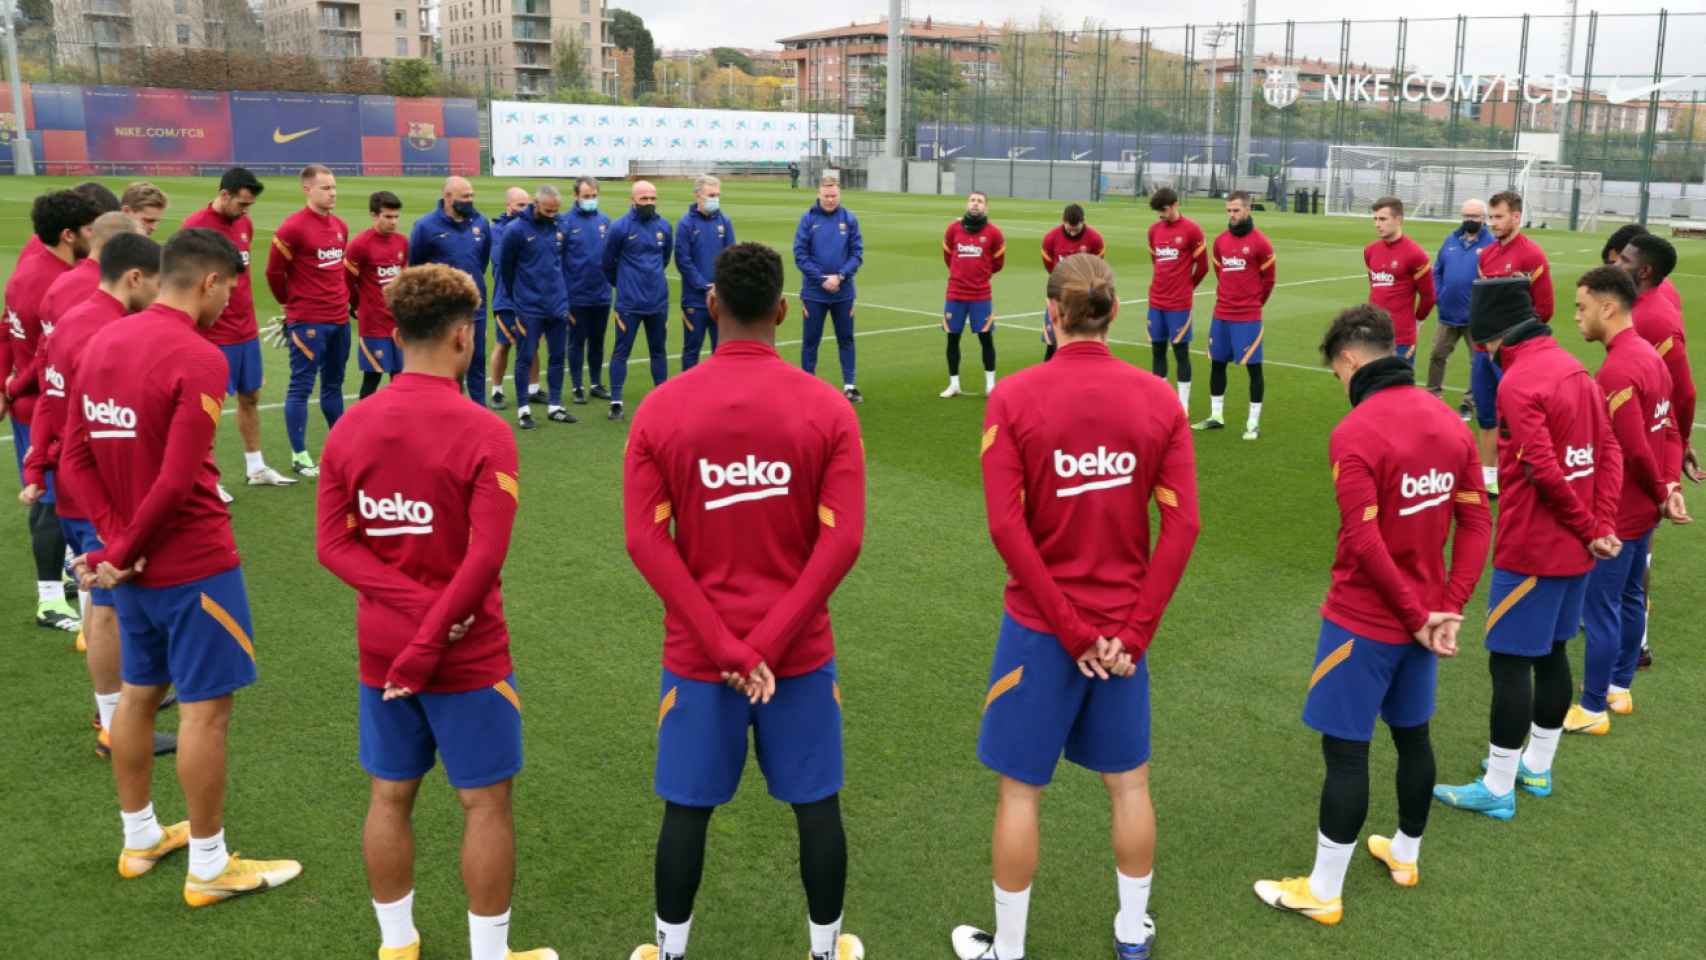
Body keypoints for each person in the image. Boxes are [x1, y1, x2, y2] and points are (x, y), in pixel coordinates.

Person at [623, 242, 866, 960]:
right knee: (816, 804)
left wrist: (726, 646)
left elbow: (645, 542)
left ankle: (668, 952)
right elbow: (842, 541)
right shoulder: (826, 407)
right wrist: (768, 643)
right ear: (784, 312)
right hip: (797, 656)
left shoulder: (662, 408)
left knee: (687, 809)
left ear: (709, 306)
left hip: (701, 657)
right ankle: (826, 951)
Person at [953, 253, 1199, 960]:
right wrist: (1131, 634)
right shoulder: (1158, 398)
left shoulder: (1015, 397)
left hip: (1040, 633)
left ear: (1052, 312)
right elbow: (1182, 526)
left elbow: (1007, 527)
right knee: (1130, 787)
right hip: (1123, 639)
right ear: (1115, 312)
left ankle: (1010, 949)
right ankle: (1130, 936)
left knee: (1021, 793)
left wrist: (1070, 630)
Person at [315, 264, 554, 960]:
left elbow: (333, 548)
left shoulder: (351, 428)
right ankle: (488, 954)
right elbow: (485, 559)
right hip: (466, 647)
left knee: (389, 796)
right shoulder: (484, 430)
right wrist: (435, 623)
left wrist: (411, 618)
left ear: (393, 335)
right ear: (462, 337)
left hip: (381, 650)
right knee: (484, 804)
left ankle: (397, 945)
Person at [59, 228, 302, 906]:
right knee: (204, 713)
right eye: (230, 287)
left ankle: (139, 838)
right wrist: (127, 547)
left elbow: (74, 458)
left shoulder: (103, 340)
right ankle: (209, 864)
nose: (231, 300)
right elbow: (176, 478)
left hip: (128, 570)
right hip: (191, 562)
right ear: (207, 282)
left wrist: (112, 549)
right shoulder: (197, 356)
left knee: (138, 696)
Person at [1252, 305, 1489, 927]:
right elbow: (1475, 520)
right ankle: (1405, 856)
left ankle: (1324, 890)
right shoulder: (1449, 419)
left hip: (1364, 621)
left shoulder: (1355, 431)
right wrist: (1448, 607)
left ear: (1350, 360)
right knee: (1414, 736)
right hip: (1426, 620)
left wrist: (1417, 613)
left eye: (1336, 373)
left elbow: (1363, 541)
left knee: (1348, 752)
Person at [1433, 277, 1622, 821]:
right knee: (1555, 652)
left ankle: (1497, 785)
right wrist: (1600, 523)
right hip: (1577, 549)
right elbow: (1607, 449)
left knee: (1511, 662)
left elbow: (1541, 469)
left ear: (1491, 337)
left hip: (1534, 548)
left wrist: (1590, 524)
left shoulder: (1519, 382)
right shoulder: (1573, 367)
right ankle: (1537, 767)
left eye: (1482, 344)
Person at [21, 232, 178, 758]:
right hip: (94, 485)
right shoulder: (107, 330)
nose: (161, 296)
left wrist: (38, 462)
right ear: (136, 276)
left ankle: (121, 705)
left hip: (70, 479)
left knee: (98, 598)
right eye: (157, 283)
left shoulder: (74, 319)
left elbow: (47, 393)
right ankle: (114, 724)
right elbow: (100, 417)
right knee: (107, 606)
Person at [1563, 267, 1687, 737]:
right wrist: (1669, 487)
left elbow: (1633, 448)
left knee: (1601, 609)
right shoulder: (1650, 357)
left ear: (1607, 308)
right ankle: (1619, 688)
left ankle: (1593, 707)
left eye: (1582, 306)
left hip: (1619, 510)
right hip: (1646, 508)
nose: (1577, 316)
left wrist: (1660, 490)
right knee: (1632, 598)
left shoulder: (1616, 370)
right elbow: (1671, 426)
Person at [4, 189, 99, 633]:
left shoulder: (39, 266)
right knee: (47, 501)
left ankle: (63, 575)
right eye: (88, 230)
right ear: (69, 234)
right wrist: (13, 386)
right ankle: (47, 600)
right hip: (42, 405)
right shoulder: (51, 280)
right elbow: (45, 354)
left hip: (37, 400)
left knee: (57, 500)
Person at [181, 167, 298, 489]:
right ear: (224, 195)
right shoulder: (195, 229)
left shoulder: (243, 224)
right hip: (214, 333)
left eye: (249, 206)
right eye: (242, 204)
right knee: (208, 408)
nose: (246, 211)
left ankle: (256, 467)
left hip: (246, 331)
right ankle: (204, 476)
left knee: (251, 396)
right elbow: (182, 282)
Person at [1617, 233, 1698, 674]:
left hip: (1648, 444)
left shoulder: (1653, 321)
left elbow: (1683, 392)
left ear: (1644, 271)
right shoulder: (1654, 299)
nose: (1617, 265)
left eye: (1624, 260)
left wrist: (1678, 447)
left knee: (1638, 544)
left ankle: (1638, 644)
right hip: (1649, 437)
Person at [266, 163, 351, 478]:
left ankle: (341, 448)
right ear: (307, 189)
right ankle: (300, 455)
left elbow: (337, 270)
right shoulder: (292, 228)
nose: (332, 193)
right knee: (301, 386)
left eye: (333, 187)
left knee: (334, 385)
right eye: (325, 188)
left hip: (339, 318)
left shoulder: (340, 225)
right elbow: (274, 274)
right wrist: (290, 306)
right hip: (309, 321)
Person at [1470, 190, 1553, 496]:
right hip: (1483, 353)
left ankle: (1523, 472)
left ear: (1516, 217)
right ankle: (1489, 476)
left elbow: (1544, 308)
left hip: (1516, 355)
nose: (1492, 223)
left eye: (1498, 217)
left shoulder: (1532, 255)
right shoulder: (1487, 255)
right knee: (1487, 415)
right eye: (1490, 217)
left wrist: (1512, 339)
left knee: (1519, 417)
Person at [1196, 192, 1276, 440]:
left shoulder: (1261, 243)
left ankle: (1253, 422)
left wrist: (1252, 303)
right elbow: (1221, 274)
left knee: (1253, 369)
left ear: (1248, 210)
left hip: (1248, 316)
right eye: (1228, 211)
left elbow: (1269, 280)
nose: (1232, 215)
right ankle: (1216, 416)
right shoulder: (1220, 242)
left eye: (1236, 210)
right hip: (1221, 313)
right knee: (1217, 364)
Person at [408, 176, 493, 405]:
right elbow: (415, 266)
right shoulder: (426, 226)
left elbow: (481, 261)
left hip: (474, 305)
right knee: (446, 362)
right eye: (465, 196)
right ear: (448, 197)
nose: (470, 200)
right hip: (443, 309)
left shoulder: (480, 223)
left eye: (472, 195)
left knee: (476, 358)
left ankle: (479, 409)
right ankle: (448, 408)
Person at [495, 185, 574, 430]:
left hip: (557, 304)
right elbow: (506, 268)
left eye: (556, 211)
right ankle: (523, 409)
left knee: (558, 356)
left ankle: (554, 406)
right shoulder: (515, 230)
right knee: (525, 357)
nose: (552, 214)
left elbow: (563, 263)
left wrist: (561, 295)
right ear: (536, 204)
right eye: (548, 210)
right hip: (529, 306)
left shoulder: (561, 226)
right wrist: (519, 297)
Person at [601, 180, 673, 421]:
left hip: (657, 302)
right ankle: (616, 402)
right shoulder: (620, 227)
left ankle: (663, 397)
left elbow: (665, 258)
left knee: (658, 350)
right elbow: (607, 263)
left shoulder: (664, 226)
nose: (649, 203)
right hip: (629, 303)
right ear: (633, 200)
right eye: (644, 199)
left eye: (652, 198)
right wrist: (623, 284)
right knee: (621, 351)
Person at [793, 177, 864, 403]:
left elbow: (857, 254)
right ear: (819, 195)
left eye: (834, 196)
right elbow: (800, 255)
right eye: (827, 196)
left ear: (839, 195)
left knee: (846, 338)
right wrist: (822, 279)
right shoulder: (808, 219)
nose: (831, 200)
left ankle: (850, 385)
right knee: (811, 340)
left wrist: (841, 276)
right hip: (814, 293)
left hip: (843, 293)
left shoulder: (849, 219)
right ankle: (807, 384)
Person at [1427, 198, 1494, 420]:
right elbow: (1437, 270)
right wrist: (1439, 293)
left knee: (1478, 361)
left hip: (1476, 317)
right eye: (1466, 216)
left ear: (1483, 218)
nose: (1469, 220)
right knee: (1437, 355)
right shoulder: (1451, 240)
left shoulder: (1491, 244)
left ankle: (1469, 403)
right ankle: (1433, 396)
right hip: (1447, 313)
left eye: (1474, 216)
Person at [1145, 187, 1209, 411]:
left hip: (1179, 304)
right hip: (1156, 302)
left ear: (1175, 205)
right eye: (1158, 212)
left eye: (1163, 210)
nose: (1161, 215)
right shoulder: (1154, 231)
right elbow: (1156, 263)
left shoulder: (1192, 230)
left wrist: (1187, 287)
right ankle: (1160, 401)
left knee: (1181, 352)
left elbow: (1203, 267)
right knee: (1157, 351)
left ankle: (1183, 405)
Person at [940, 191, 1006, 398]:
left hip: (980, 295)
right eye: (972, 200)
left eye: (979, 201)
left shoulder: (994, 233)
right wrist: (961, 273)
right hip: (955, 294)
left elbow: (998, 263)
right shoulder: (953, 229)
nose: (975, 204)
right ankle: (954, 384)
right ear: (967, 204)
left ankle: (990, 385)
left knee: (986, 339)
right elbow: (948, 256)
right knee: (952, 339)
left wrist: (980, 274)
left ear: (986, 207)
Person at [346, 191, 409, 400]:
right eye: (388, 217)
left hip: (399, 323)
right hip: (374, 323)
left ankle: (398, 424)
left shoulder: (402, 242)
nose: (393, 222)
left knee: (401, 379)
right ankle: (363, 425)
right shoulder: (360, 245)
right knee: (371, 378)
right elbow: (347, 280)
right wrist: (357, 305)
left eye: (396, 217)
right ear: (374, 215)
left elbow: (405, 278)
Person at [1364, 197, 1435, 366]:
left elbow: (1429, 297)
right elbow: (1374, 287)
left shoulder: (1415, 254)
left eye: (1383, 219)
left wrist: (1417, 322)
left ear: (1398, 220)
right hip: (1373, 334)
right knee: (1372, 387)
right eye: (1375, 219)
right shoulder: (1370, 250)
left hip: (1401, 338)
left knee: (1399, 388)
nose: (1377, 224)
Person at [675, 174, 736, 370]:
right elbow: (683, 260)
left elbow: (731, 256)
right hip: (695, 300)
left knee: (721, 350)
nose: (715, 199)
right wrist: (704, 285)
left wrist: (720, 286)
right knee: (692, 349)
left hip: (721, 299)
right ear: (698, 196)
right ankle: (689, 394)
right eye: (711, 195)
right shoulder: (686, 224)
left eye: (717, 195)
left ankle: (719, 393)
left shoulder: (724, 221)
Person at [565, 176, 613, 406]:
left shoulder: (605, 221)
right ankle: (577, 385)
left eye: (594, 196)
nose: (591, 200)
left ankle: (595, 383)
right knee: (576, 341)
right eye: (586, 197)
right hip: (576, 295)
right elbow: (559, 260)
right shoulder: (565, 222)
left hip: (601, 293)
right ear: (576, 196)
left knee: (598, 340)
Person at [487, 186, 535, 409]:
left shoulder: (534, 226)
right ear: (508, 206)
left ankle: (533, 388)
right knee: (503, 344)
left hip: (532, 298)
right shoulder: (497, 230)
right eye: (520, 205)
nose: (525, 209)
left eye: (528, 204)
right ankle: (496, 390)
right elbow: (502, 261)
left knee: (532, 345)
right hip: (507, 298)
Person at [1039, 203, 1104, 362]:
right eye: (1069, 228)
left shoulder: (1094, 239)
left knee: (1082, 341)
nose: (1072, 231)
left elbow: (1097, 266)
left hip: (1083, 297)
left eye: (1076, 228)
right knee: (1053, 343)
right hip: (1058, 297)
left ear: (1084, 221)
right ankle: (1047, 379)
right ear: (1063, 221)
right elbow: (1049, 264)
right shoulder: (1051, 238)